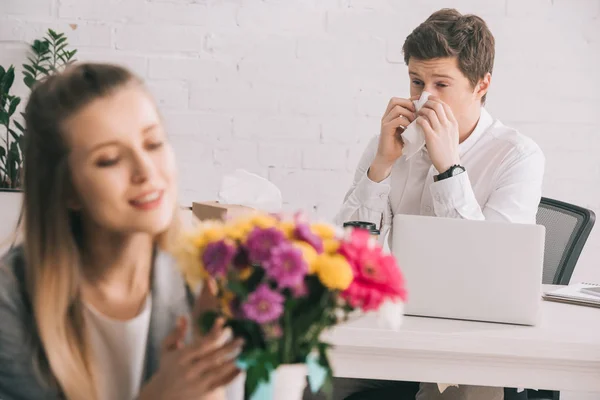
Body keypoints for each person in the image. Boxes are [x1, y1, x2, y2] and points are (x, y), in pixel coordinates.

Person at [333, 8, 544, 400]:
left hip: (475, 341)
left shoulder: (518, 156)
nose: (423, 97)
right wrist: (380, 167)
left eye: (441, 84)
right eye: (416, 81)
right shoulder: (389, 143)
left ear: (481, 85)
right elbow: (349, 256)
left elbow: (488, 274)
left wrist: (450, 169)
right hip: (395, 328)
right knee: (307, 376)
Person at [0, 63, 243, 400]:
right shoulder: (10, 303)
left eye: (154, 143)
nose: (146, 170)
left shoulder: (203, 285)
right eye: (110, 159)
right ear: (66, 189)